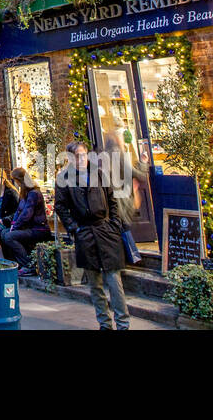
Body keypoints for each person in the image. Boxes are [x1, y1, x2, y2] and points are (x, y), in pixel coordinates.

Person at [55, 141, 130, 330]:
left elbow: (113, 199)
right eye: (76, 156)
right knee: (95, 284)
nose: (80, 159)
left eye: (82, 155)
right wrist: (74, 228)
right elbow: (60, 207)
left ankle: (123, 324)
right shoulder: (64, 178)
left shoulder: (99, 173)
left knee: (114, 281)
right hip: (85, 233)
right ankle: (104, 323)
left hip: (105, 230)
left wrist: (114, 223)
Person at [0, 168, 52, 275]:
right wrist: (13, 225)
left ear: (20, 180)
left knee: (10, 236)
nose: (16, 183)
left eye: (16, 181)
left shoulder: (34, 193)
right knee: (4, 233)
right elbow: (18, 212)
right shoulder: (24, 194)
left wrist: (16, 227)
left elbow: (27, 214)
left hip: (39, 229)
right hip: (28, 228)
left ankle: (29, 265)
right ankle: (18, 262)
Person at [104, 133, 145, 265]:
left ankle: (128, 257)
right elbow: (139, 175)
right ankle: (134, 257)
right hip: (121, 198)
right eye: (121, 138)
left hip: (111, 198)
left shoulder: (104, 157)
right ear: (116, 140)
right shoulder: (119, 155)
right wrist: (143, 163)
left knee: (120, 226)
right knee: (124, 227)